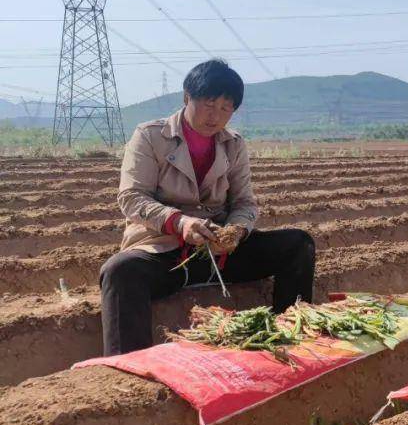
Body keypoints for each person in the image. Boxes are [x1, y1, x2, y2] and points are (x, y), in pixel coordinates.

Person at [99, 59, 316, 356]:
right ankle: (130, 364)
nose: (216, 116)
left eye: (226, 109)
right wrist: (180, 223)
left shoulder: (233, 145)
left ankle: (291, 337)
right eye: (209, 104)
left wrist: (236, 231)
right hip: (166, 249)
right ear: (187, 97)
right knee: (120, 271)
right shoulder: (150, 136)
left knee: (298, 244)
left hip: (219, 252)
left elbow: (244, 203)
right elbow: (132, 198)